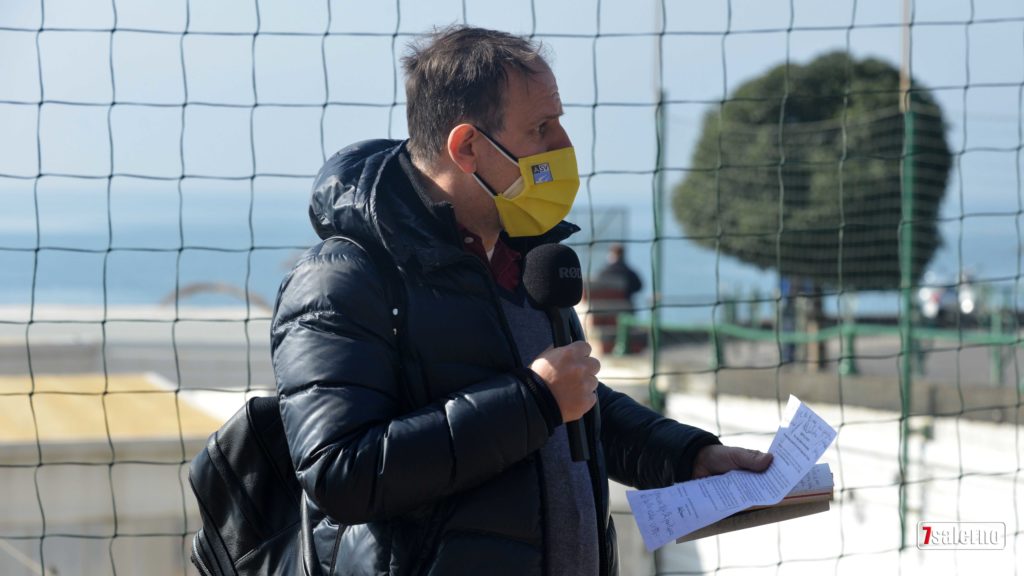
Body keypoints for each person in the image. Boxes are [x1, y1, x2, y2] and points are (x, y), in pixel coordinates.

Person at [271, 26, 772, 576]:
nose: (564, 146)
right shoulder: (342, 278)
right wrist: (531, 400)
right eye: (541, 127)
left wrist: (688, 456)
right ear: (467, 148)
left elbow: (573, 401)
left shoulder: (526, 259)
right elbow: (341, 472)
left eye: (560, 121)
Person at [594, 243, 643, 312]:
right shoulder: (629, 273)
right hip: (626, 308)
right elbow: (639, 286)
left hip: (605, 308)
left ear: (611, 254)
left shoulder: (604, 272)